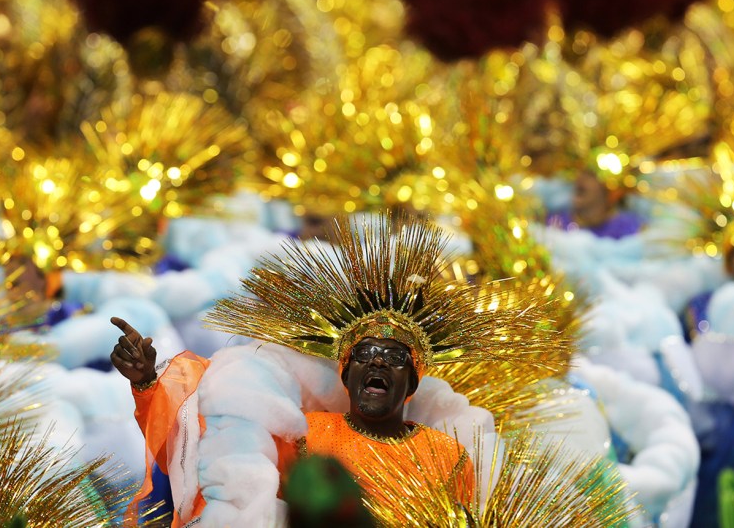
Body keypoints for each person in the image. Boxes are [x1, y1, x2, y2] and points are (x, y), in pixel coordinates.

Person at [110, 212, 558, 526]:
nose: (378, 361)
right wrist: (148, 383)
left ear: (412, 383)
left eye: (395, 357)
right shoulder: (309, 437)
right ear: (345, 375)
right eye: (364, 355)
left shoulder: (449, 454)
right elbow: (204, 452)